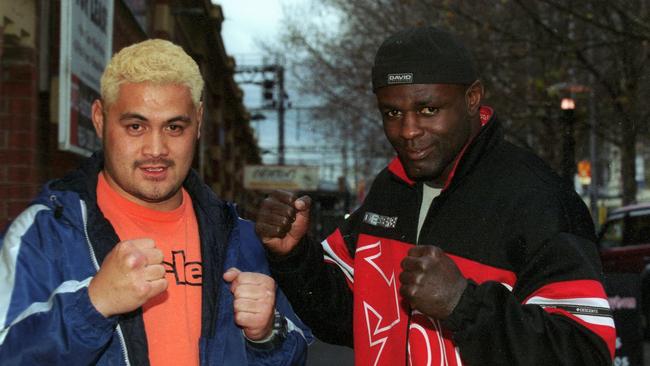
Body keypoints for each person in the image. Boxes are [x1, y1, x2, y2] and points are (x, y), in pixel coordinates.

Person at [255, 27, 615, 365]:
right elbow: (346, 318)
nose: (408, 131)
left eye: (429, 110)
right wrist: (294, 254)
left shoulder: (539, 199)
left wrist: (464, 305)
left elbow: (587, 351)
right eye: (393, 113)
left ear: (472, 98)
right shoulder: (390, 189)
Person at [0, 39, 312, 365]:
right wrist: (92, 306)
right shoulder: (45, 233)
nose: (156, 149)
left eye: (174, 127)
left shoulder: (241, 239)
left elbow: (295, 351)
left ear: (199, 121)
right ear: (100, 119)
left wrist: (266, 335)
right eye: (136, 126)